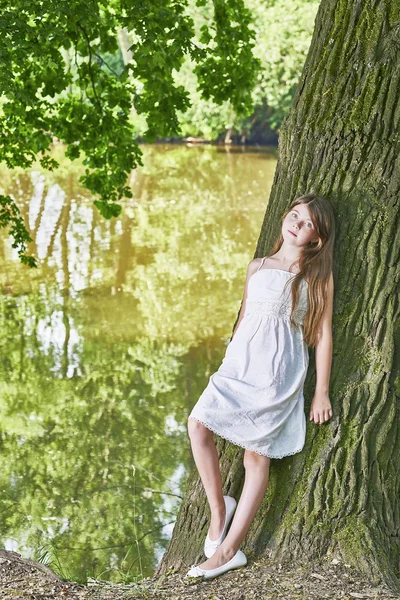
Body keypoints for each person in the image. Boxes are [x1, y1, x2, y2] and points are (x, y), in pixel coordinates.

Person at [185, 194, 335, 580]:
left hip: (277, 372)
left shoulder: (317, 275)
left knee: (257, 457)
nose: (297, 225)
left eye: (307, 225)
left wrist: (320, 391)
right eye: (295, 216)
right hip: (239, 365)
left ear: (316, 238)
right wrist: (226, 364)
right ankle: (219, 509)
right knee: (197, 424)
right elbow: (243, 321)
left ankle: (229, 552)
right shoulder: (257, 266)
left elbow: (322, 333)